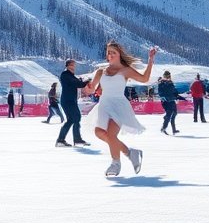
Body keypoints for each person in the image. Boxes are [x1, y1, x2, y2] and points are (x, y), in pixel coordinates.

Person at [86, 42, 154, 177]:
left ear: (119, 54)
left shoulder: (126, 70)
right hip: (104, 104)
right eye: (108, 52)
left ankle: (115, 163)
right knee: (99, 132)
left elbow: (144, 79)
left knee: (111, 135)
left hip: (118, 105)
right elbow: (92, 88)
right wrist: (88, 88)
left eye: (113, 52)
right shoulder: (101, 72)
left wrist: (150, 61)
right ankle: (130, 153)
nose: (110, 55)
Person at [55, 60, 91, 147]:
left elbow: (79, 82)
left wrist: (84, 81)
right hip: (68, 101)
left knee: (71, 120)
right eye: (71, 65)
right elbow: (79, 84)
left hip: (70, 100)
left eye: (74, 65)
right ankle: (77, 139)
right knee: (77, 117)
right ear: (67, 66)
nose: (73, 67)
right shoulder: (65, 75)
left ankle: (60, 140)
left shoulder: (71, 75)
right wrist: (87, 81)